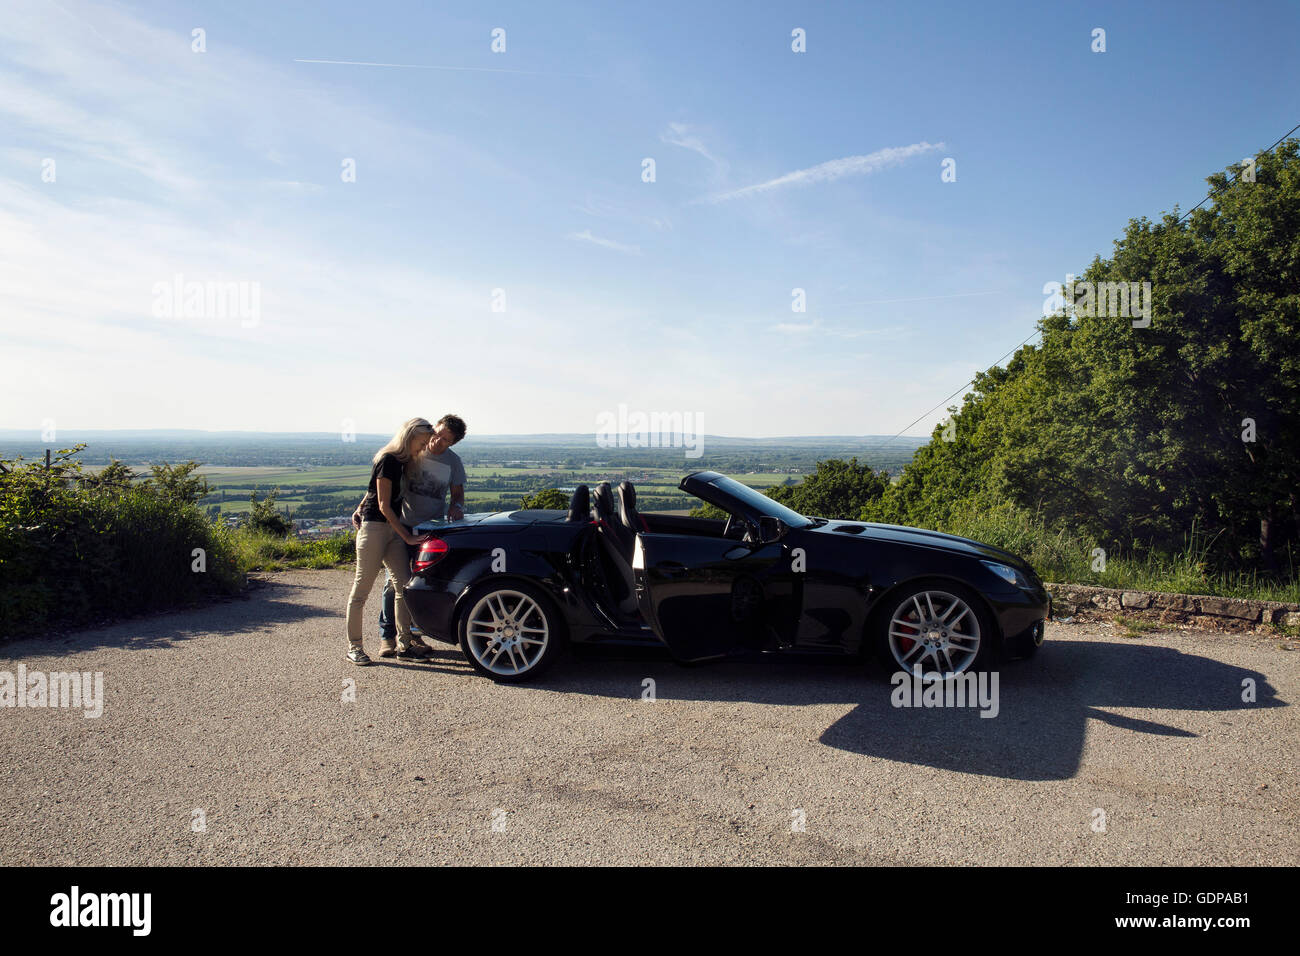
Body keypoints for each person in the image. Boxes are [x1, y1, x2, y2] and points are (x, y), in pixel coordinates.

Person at [344, 418, 435, 665]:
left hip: (392, 527)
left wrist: (360, 505)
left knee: (403, 586)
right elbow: (383, 503)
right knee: (361, 589)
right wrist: (406, 536)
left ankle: (404, 646)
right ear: (410, 437)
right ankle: (355, 647)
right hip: (375, 527)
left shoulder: (406, 462)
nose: (423, 447)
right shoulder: (388, 459)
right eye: (422, 442)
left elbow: (375, 490)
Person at [374, 414, 467, 654]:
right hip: (401, 526)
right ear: (433, 428)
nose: (437, 442)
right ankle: (387, 636)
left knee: (419, 585)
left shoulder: (453, 463)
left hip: (429, 530)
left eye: (446, 441)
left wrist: (457, 507)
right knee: (393, 584)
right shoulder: (413, 451)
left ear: (452, 444)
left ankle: (414, 634)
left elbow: (457, 493)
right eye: (437, 435)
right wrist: (364, 504)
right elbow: (382, 482)